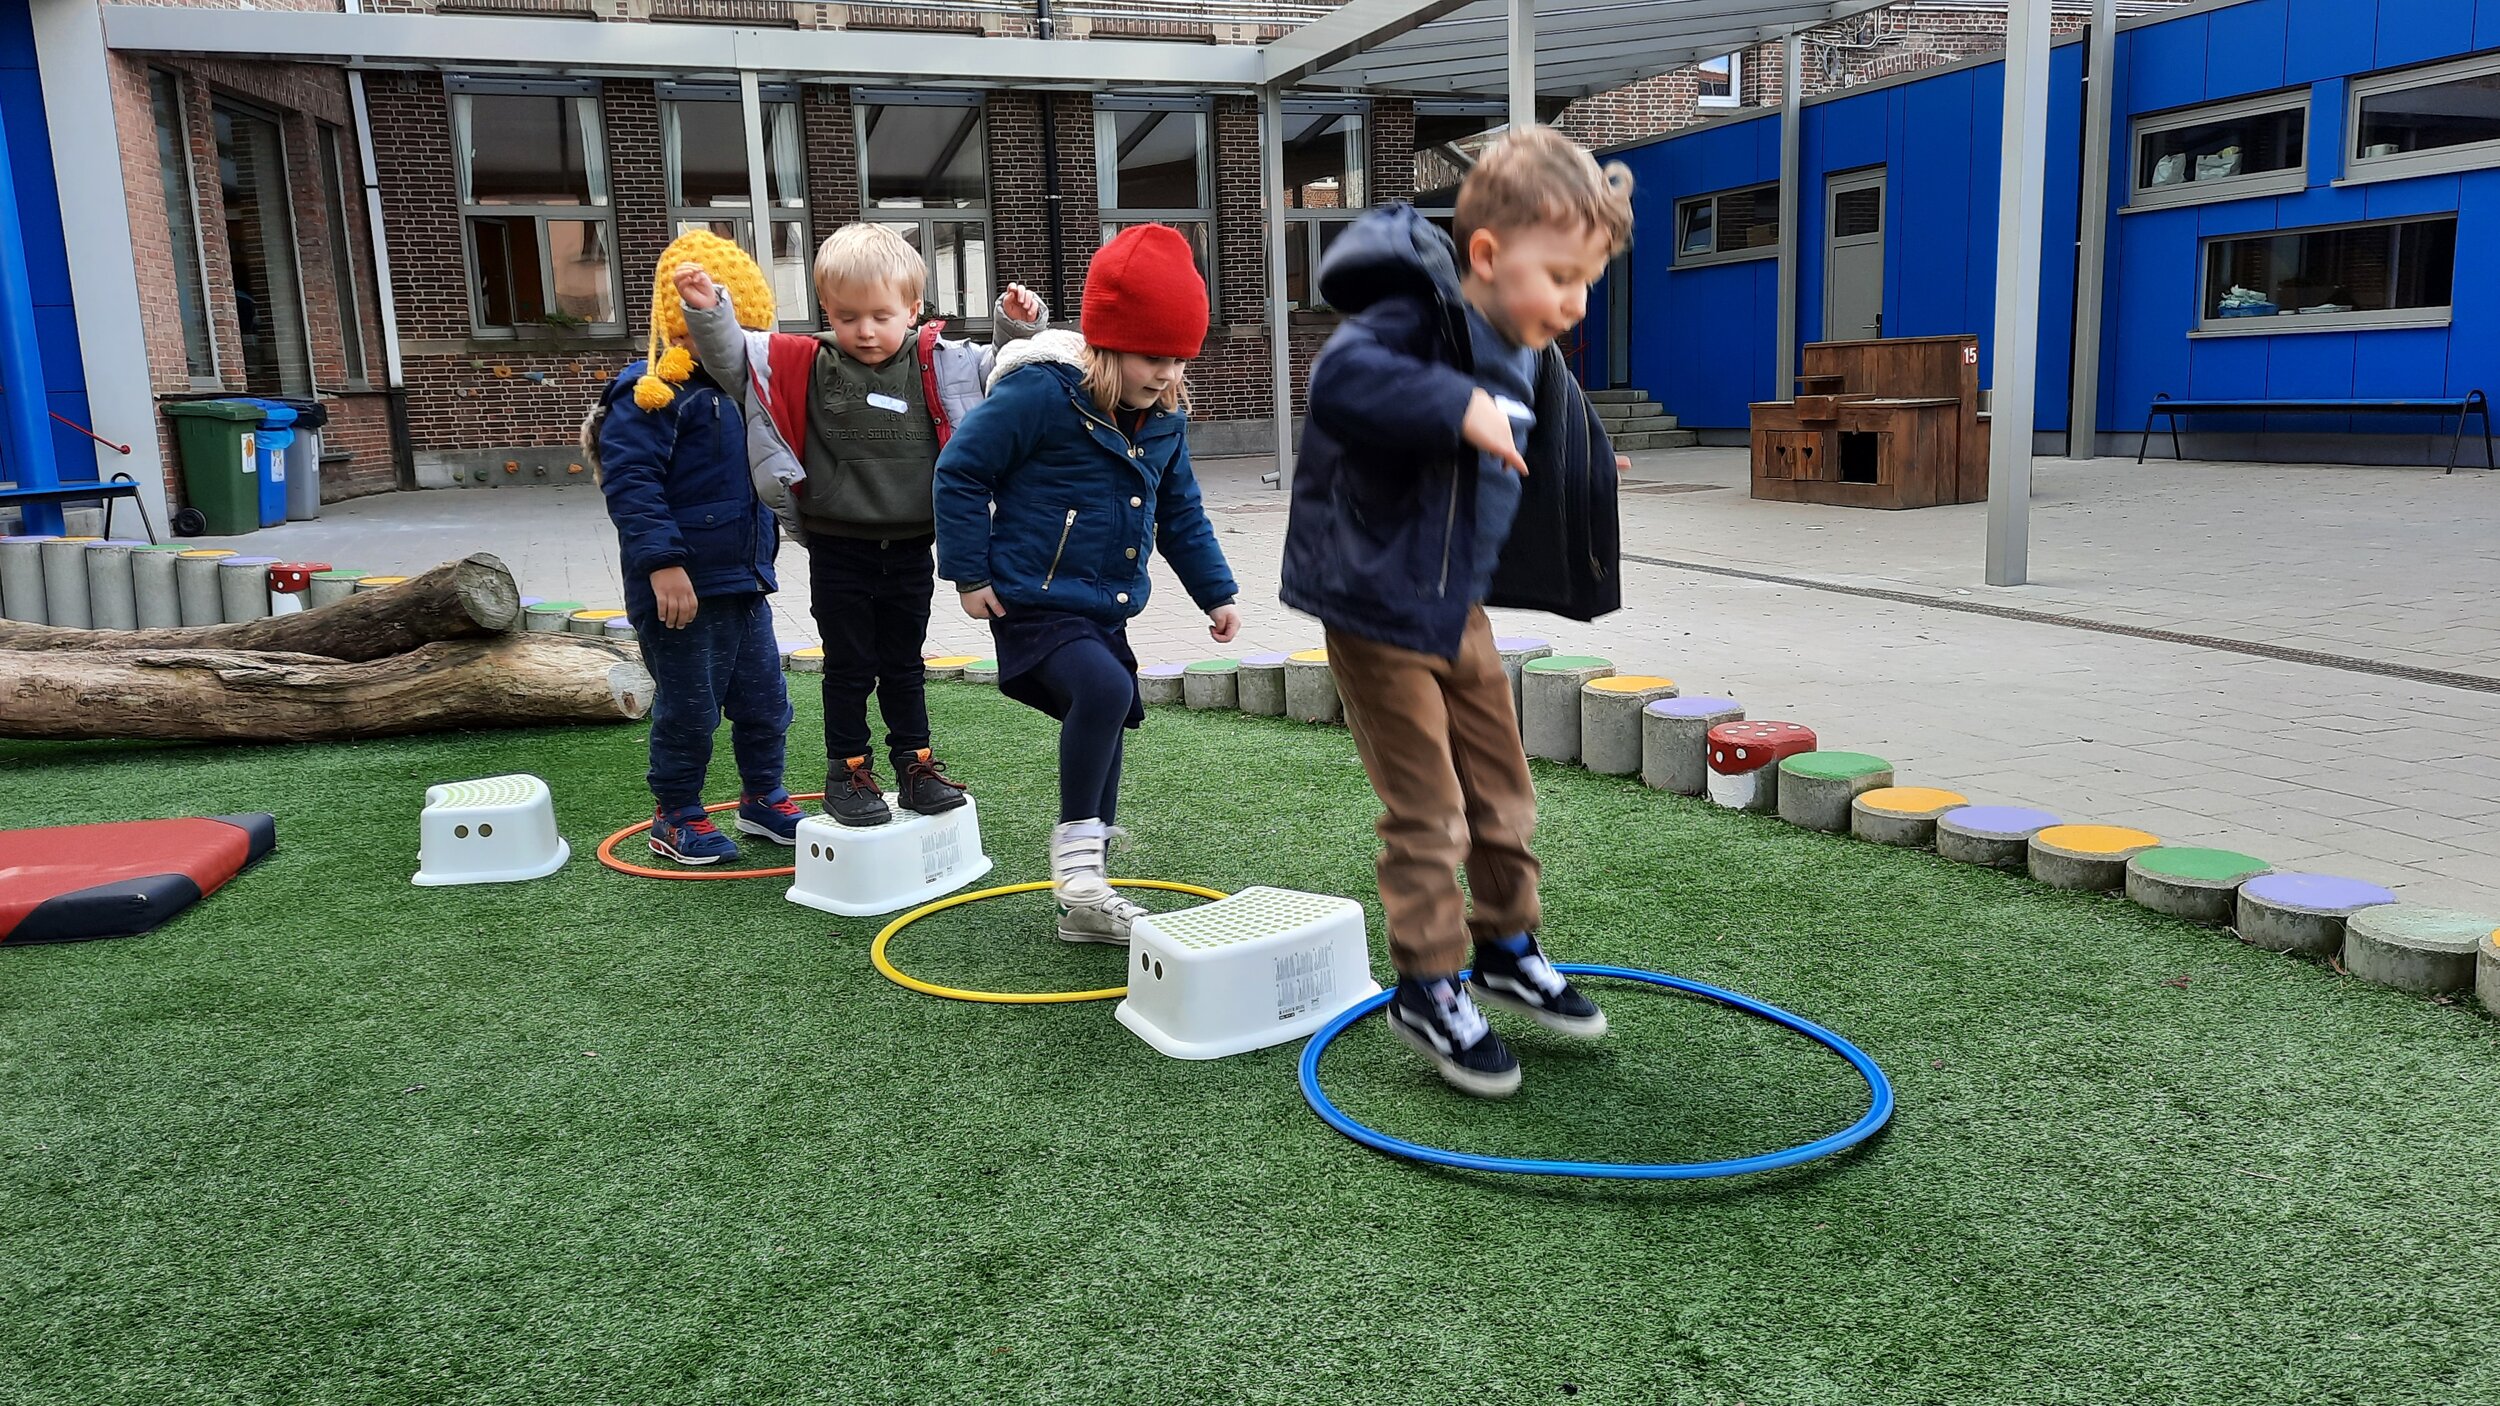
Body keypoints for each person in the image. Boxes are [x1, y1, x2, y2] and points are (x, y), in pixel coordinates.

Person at [1280, 127, 1634, 1097]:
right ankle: (1426, 985)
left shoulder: (1527, 340)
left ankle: (1505, 946)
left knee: (1502, 789)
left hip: (1457, 606)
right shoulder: (1411, 317)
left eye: (1587, 280)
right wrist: (1453, 405)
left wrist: (1596, 468)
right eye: (1559, 274)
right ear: (1486, 256)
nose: (1574, 302)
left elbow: (1553, 428)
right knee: (1428, 809)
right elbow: (1339, 381)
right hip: (1372, 602)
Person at [932, 224, 1240, 945]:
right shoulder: (1042, 395)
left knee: (1111, 708)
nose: (1165, 373)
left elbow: (1182, 512)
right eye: (1151, 356)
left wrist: (1216, 592)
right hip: (1030, 600)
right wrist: (969, 574)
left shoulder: (1164, 419)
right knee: (1104, 693)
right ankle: (1076, 862)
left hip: (1103, 605)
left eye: (1178, 359)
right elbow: (961, 471)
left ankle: (1086, 900)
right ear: (1106, 342)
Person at [682, 223, 1047, 828]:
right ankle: (848, 771)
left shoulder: (941, 362)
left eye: (881, 315)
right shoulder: (804, 360)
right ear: (827, 310)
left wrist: (1015, 326)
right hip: (837, 547)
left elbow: (1001, 374)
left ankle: (916, 765)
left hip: (911, 546)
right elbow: (735, 359)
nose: (865, 330)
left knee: (904, 663)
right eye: (848, 316)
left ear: (913, 308)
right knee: (848, 666)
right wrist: (711, 310)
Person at [595, 229, 801, 865]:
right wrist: (663, 565)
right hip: (680, 590)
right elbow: (632, 486)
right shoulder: (649, 393)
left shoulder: (746, 392)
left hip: (744, 583)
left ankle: (763, 797)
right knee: (689, 711)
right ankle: (676, 813)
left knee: (766, 702)